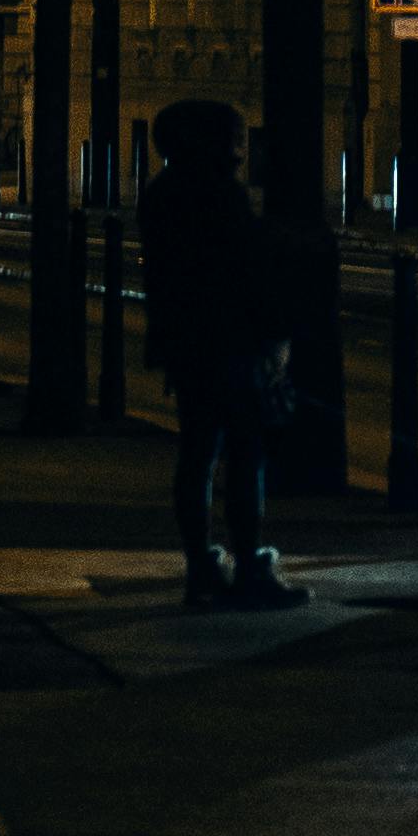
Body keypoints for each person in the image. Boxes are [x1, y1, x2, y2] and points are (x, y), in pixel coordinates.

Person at [136, 99, 302, 610]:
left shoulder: (161, 194)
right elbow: (246, 271)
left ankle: (201, 565)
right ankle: (250, 564)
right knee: (246, 453)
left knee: (198, 453)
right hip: (231, 341)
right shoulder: (222, 195)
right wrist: (274, 337)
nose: (240, 147)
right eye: (233, 137)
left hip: (187, 342)